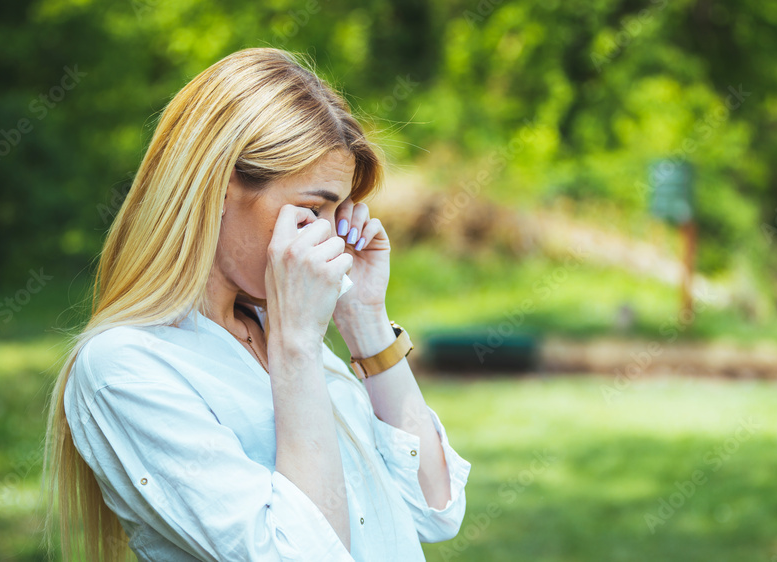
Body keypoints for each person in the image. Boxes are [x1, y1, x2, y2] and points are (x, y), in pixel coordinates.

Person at [41, 47, 472, 561]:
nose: (333, 239)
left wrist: (364, 320)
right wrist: (296, 346)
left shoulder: (274, 324)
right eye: (312, 208)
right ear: (218, 189)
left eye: (337, 213)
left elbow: (435, 508)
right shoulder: (126, 368)